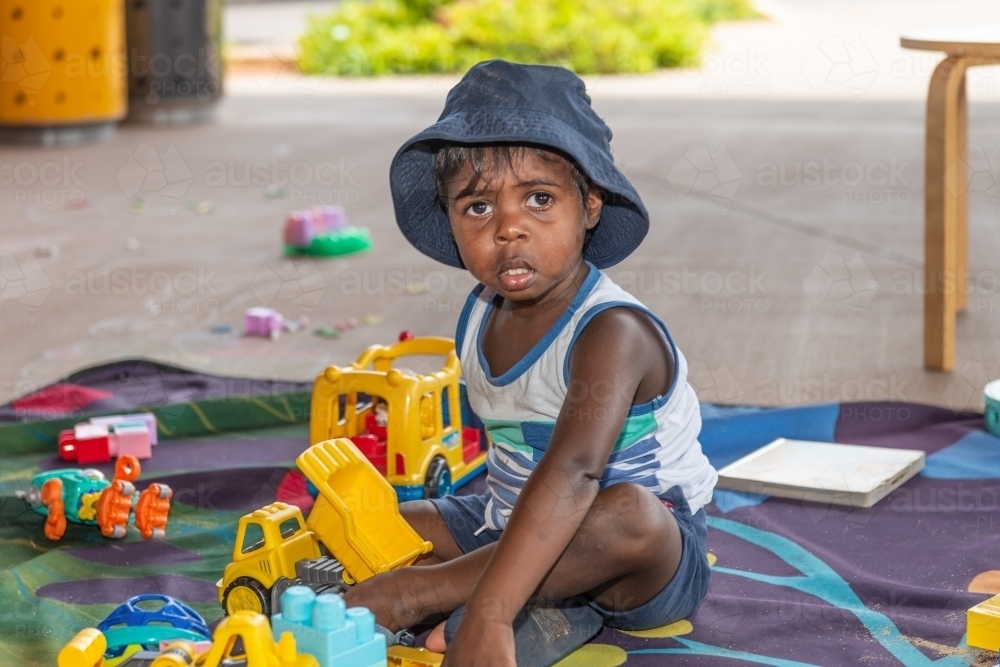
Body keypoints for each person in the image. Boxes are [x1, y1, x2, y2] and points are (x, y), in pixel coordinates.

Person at [344, 59, 718, 666]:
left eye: (539, 199)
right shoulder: (480, 313)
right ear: (450, 218)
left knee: (630, 517)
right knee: (381, 517)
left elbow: (574, 471)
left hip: (639, 558)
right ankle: (537, 604)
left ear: (589, 205)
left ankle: (446, 598)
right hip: (509, 515)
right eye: (478, 208)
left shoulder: (612, 330)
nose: (509, 229)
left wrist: (473, 606)